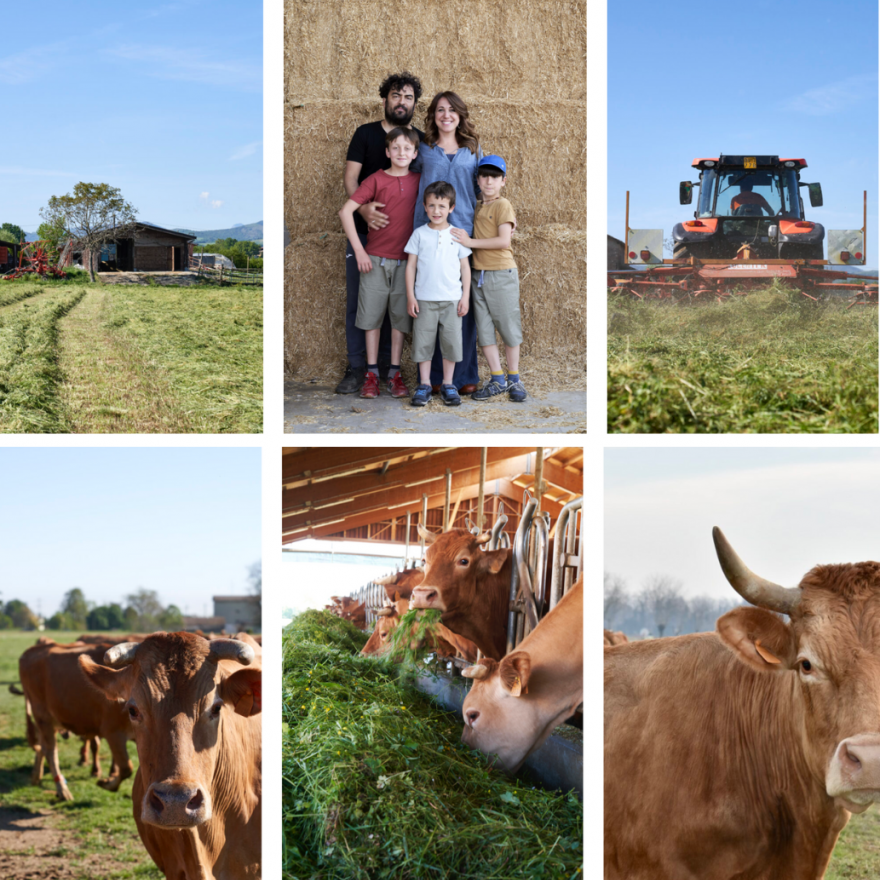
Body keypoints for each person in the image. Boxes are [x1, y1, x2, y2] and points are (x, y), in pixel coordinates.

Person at [337, 72, 425, 394]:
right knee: (360, 305)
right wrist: (363, 209)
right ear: (385, 98)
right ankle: (358, 369)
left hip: (405, 247)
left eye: (408, 97)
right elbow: (351, 178)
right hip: (365, 238)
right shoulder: (366, 134)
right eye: (396, 95)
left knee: (398, 311)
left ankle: (392, 370)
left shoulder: (420, 141)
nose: (401, 102)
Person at [413, 91, 483, 394]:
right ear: (433, 115)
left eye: (452, 110)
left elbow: (485, 186)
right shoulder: (425, 149)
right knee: (432, 303)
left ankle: (464, 376)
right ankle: (435, 380)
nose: (446, 115)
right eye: (440, 110)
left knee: (460, 306)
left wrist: (505, 216)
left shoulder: (472, 149)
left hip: (463, 232)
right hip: (429, 231)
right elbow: (409, 178)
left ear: (460, 115)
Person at [451, 155, 526, 402]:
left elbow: (504, 240)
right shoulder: (477, 205)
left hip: (500, 273)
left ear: (503, 181)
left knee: (508, 327)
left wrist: (470, 242)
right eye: (484, 176)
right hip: (478, 274)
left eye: (494, 177)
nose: (489, 181)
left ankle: (515, 379)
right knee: (484, 332)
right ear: (477, 179)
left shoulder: (503, 205)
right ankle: (497, 379)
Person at [404, 181, 472, 407]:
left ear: (451, 208)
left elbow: (465, 268)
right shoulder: (419, 234)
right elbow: (411, 267)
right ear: (424, 206)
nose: (436, 211)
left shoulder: (457, 235)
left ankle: (448, 384)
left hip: (452, 300)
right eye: (432, 206)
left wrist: (465, 297)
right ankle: (424, 384)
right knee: (423, 343)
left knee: (451, 343)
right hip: (424, 299)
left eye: (442, 206)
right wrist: (411, 296)